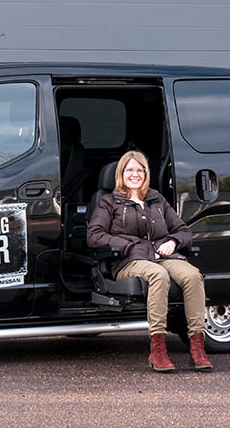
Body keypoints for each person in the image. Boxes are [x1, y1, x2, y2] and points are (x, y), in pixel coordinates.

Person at [86, 150, 213, 373]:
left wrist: (173, 241)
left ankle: (197, 348)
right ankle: (158, 350)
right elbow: (94, 235)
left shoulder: (156, 199)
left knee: (193, 275)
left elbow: (183, 230)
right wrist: (126, 245)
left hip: (163, 256)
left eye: (139, 170)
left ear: (146, 173)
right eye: (129, 170)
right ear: (121, 174)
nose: (135, 174)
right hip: (130, 260)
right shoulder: (109, 202)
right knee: (158, 275)